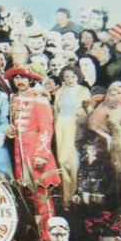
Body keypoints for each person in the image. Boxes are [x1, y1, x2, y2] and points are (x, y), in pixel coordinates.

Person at [4, 67, 61, 241]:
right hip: (20, 153)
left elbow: (47, 129)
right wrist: (10, 131)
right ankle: (38, 236)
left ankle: (49, 237)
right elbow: (16, 125)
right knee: (29, 194)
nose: (19, 81)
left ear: (31, 80)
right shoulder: (14, 99)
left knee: (42, 194)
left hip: (36, 150)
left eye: (23, 78)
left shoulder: (40, 99)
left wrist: (41, 154)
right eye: (16, 78)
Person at [52, 64, 92, 208]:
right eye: (66, 77)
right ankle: (66, 200)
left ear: (78, 77)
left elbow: (87, 112)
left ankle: (76, 199)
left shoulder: (83, 91)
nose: (70, 80)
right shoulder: (60, 91)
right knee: (62, 160)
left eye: (73, 77)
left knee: (74, 162)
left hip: (75, 127)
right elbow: (56, 111)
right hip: (61, 127)